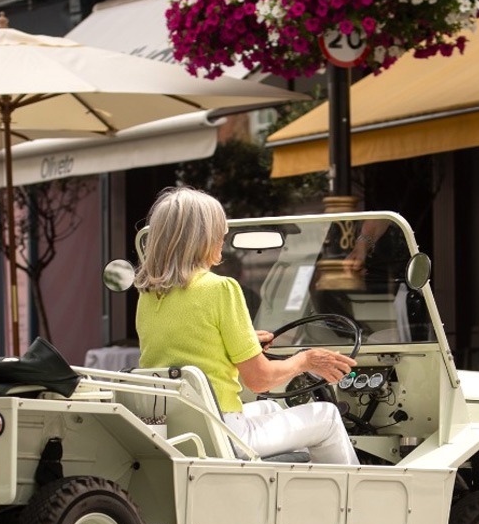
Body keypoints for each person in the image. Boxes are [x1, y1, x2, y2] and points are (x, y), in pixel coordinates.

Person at [135, 186, 359, 465]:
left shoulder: (147, 295)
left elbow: (181, 348)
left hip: (178, 429)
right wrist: (305, 360)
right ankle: (355, 507)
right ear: (201, 237)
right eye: (220, 230)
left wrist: (241, 339)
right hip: (224, 431)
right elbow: (260, 379)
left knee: (267, 406)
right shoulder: (220, 288)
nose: (223, 237)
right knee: (326, 416)